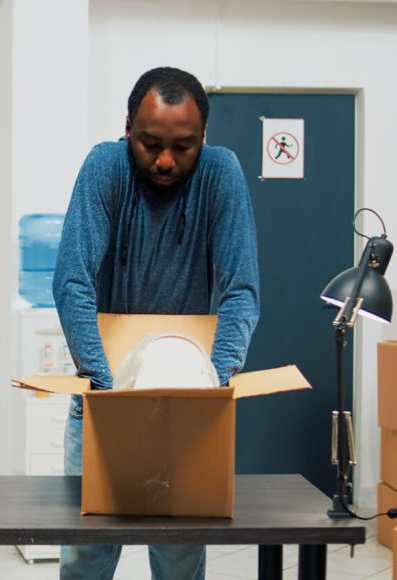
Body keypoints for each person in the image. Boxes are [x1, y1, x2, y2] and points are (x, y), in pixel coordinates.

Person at [52, 67, 260, 580]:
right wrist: (106, 389)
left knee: (181, 556)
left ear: (203, 138)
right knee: (88, 554)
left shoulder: (221, 173)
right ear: (127, 127)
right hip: (102, 404)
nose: (166, 160)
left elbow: (242, 291)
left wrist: (210, 386)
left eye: (183, 147)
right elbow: (71, 283)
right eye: (150, 143)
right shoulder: (104, 168)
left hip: (186, 409)